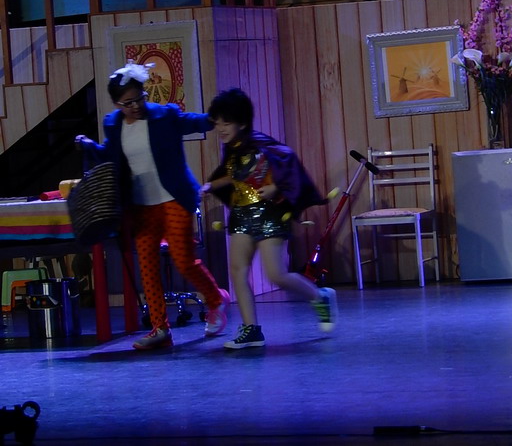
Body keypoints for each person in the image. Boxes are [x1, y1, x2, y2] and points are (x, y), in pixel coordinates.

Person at [75, 60, 230, 350]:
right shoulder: (113, 124)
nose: (135, 106)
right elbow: (111, 155)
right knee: (146, 265)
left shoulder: (165, 115)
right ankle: (160, 328)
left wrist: (218, 114)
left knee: (183, 261)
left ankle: (215, 299)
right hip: (141, 205)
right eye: (127, 103)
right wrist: (89, 146)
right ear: (116, 104)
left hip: (174, 198)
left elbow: (195, 122)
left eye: (139, 98)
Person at [201, 88, 338, 350]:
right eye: (217, 123)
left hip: (270, 214)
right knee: (238, 270)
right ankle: (251, 330)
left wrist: (276, 187)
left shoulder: (262, 144)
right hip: (241, 215)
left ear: (242, 122)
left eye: (226, 123)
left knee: (276, 274)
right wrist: (209, 186)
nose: (220, 128)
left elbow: (289, 166)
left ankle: (319, 296)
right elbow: (234, 175)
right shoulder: (231, 149)